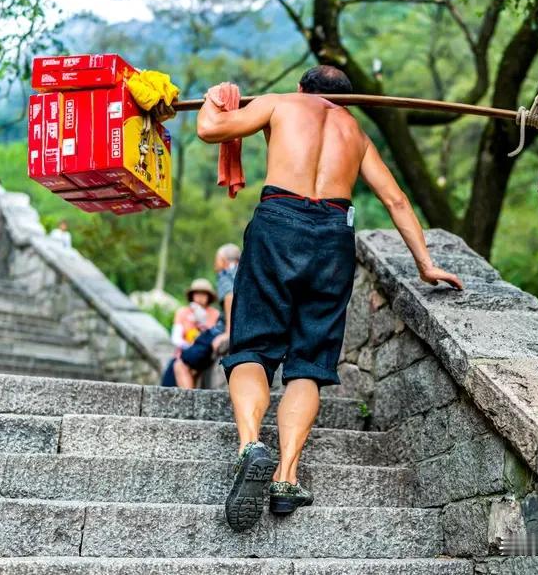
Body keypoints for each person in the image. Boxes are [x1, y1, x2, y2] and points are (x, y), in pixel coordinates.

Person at [196, 66, 464, 531]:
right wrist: (425, 263)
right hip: (333, 239)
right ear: (350, 101)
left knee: (252, 349)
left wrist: (213, 98)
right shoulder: (355, 132)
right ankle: (285, 477)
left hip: (279, 222)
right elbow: (397, 200)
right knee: (309, 362)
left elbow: (210, 128)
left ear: (303, 89)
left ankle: (249, 447)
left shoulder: (281, 102)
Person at [169, 244, 240, 389]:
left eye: (216, 260)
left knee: (180, 365)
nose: (215, 266)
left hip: (220, 332)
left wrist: (228, 333)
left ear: (223, 260)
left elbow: (229, 297)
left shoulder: (226, 273)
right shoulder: (245, 274)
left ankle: (189, 408)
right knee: (189, 368)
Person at [171, 278, 221, 354]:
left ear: (209, 296)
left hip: (207, 353)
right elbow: (175, 338)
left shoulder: (215, 314)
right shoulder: (182, 312)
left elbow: (217, 335)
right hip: (184, 353)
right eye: (197, 293)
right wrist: (188, 346)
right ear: (192, 295)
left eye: (203, 294)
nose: (200, 297)